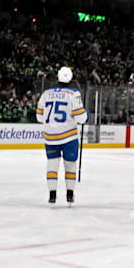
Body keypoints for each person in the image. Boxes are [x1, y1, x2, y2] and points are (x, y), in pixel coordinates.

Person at [37, 66, 87, 205]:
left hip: (50, 136)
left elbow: (39, 117)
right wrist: (85, 114)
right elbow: (81, 118)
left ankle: (52, 195)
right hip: (68, 136)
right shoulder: (73, 94)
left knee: (52, 165)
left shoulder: (46, 93)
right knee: (70, 165)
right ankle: (70, 194)